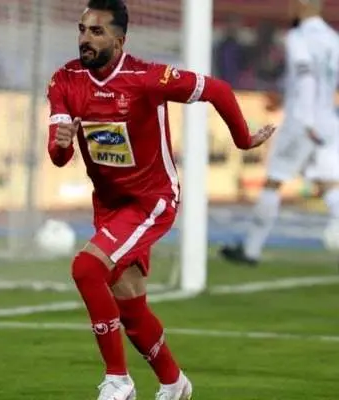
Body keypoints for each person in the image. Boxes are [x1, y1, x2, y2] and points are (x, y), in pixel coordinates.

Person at [46, 1, 275, 399]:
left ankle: (118, 381)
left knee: (86, 269)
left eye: (96, 32)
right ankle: (174, 383)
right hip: (110, 205)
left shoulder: (147, 78)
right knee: (131, 307)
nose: (85, 38)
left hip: (151, 201)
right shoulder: (65, 81)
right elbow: (59, 155)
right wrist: (63, 144)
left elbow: (217, 90)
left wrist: (242, 139)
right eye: (82, 30)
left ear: (119, 41)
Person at [220, 0, 339, 266]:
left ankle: (251, 249)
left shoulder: (298, 37)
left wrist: (305, 119)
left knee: (273, 181)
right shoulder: (333, 39)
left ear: (303, 6)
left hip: (302, 121)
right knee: (330, 183)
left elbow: (306, 78)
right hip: (328, 120)